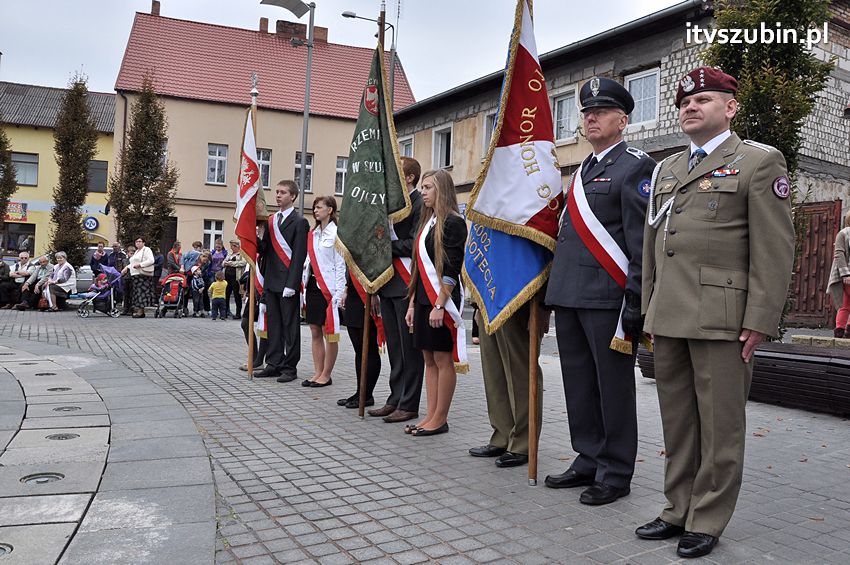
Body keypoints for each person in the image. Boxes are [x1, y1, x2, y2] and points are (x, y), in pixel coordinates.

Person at [637, 67, 795, 559]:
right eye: (685, 100)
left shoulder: (757, 163)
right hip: (670, 316)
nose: (690, 106)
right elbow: (652, 249)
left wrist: (760, 319)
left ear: (730, 108)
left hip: (723, 318)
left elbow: (775, 248)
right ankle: (676, 508)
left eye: (703, 99)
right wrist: (649, 311)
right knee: (678, 423)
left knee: (720, 425)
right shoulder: (666, 170)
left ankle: (707, 518)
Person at [544, 77, 656, 505]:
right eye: (586, 112)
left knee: (612, 387)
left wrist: (636, 299)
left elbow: (639, 240)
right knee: (578, 383)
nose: (590, 117)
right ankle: (587, 457)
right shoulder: (583, 169)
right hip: (570, 295)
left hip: (608, 297)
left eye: (601, 112)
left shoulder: (635, 166)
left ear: (622, 120)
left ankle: (616, 470)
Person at [403, 169, 467, 437]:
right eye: (423, 187)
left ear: (441, 189)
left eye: (428, 187)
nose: (423, 192)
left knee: (442, 359)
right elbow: (418, 268)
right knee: (428, 358)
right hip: (423, 299)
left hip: (442, 299)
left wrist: (440, 303)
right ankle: (429, 415)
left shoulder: (453, 222)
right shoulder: (427, 222)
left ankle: (440, 418)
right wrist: (412, 304)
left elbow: (452, 266)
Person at [369, 156, 426, 424]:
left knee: (408, 348)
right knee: (394, 346)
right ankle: (395, 398)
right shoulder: (391, 205)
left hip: (407, 283)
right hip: (390, 282)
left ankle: (409, 402)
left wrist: (384, 247)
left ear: (410, 178)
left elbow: (412, 244)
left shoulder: (418, 203)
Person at [468, 296, 547, 468]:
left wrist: (543, 305)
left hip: (518, 295)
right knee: (494, 372)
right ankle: (502, 435)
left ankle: (523, 443)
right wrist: (477, 302)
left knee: (520, 373)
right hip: (488, 299)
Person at [254, 180, 309, 382]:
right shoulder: (270, 220)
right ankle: (274, 362)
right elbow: (266, 250)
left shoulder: (300, 221)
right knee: (274, 324)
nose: (278, 195)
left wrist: (292, 284)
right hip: (271, 280)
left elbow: (299, 255)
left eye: (283, 192)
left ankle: (289, 367)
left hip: (287, 283)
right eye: (276, 192)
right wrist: (256, 239)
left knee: (290, 327)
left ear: (292, 196)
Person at [301, 196, 346, 388]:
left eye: (319, 207)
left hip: (328, 288)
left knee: (330, 332)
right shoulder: (313, 233)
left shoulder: (336, 233)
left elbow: (340, 264)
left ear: (330, 210)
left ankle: (326, 374)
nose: (315, 210)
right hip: (312, 285)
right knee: (314, 329)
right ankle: (317, 371)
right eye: (314, 207)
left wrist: (339, 291)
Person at [336, 273, 381, 409]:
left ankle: (367, 395)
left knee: (368, 347)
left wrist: (374, 293)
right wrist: (346, 289)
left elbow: (374, 267)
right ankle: (360, 392)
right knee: (359, 349)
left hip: (367, 292)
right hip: (354, 292)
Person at [827, 211, 850, 337]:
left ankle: (840, 329)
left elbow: (839, 254)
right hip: (847, 274)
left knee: (845, 303)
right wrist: (846, 274)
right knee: (845, 303)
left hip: (845, 274)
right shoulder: (844, 234)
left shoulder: (842, 233)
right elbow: (839, 254)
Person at [121, 237, 156, 318]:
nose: (138, 243)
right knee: (137, 294)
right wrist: (126, 268)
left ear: (143, 243)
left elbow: (151, 260)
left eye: (140, 241)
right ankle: (141, 311)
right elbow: (133, 263)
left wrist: (140, 265)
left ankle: (140, 312)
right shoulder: (137, 251)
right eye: (136, 241)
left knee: (141, 293)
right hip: (135, 276)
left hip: (143, 275)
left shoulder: (146, 250)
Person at [223, 240, 246, 319]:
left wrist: (231, 263)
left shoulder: (241, 254)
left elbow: (243, 263)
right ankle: (225, 312)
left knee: (237, 295)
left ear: (236, 246)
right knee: (227, 294)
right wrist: (225, 263)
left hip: (236, 277)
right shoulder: (229, 254)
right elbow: (224, 262)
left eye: (232, 246)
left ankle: (238, 313)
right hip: (227, 276)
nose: (231, 248)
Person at [121, 245, 136, 315]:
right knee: (125, 295)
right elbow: (122, 269)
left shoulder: (135, 261)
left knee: (131, 295)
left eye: (133, 253)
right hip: (125, 279)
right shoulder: (124, 261)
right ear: (127, 253)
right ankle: (125, 309)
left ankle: (131, 309)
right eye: (130, 253)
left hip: (132, 279)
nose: (132, 255)